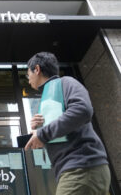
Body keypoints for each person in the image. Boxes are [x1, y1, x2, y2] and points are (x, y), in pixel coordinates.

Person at [24, 52, 111, 195]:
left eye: (28, 75)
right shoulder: (49, 96)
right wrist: (38, 130)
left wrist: (43, 134)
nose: (28, 80)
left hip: (82, 168)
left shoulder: (66, 83)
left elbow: (82, 110)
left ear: (37, 69)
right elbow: (63, 130)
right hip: (79, 169)